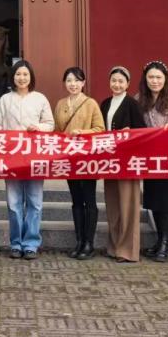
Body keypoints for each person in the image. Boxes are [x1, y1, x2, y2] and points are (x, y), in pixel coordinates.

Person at [0, 59, 55, 260]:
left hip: (35, 157)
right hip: (11, 157)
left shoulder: (40, 98)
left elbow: (50, 124)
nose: (22, 78)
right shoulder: (4, 100)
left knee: (35, 202)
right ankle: (16, 243)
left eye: (25, 74)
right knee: (14, 202)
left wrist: (39, 127)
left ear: (31, 77)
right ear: (13, 77)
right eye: (18, 74)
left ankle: (31, 244)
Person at [52, 66, 104, 260]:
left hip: (88, 159)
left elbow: (100, 129)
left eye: (76, 80)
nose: (73, 84)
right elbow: (56, 130)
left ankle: (89, 243)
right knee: (76, 200)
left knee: (89, 199)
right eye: (69, 80)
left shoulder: (91, 104)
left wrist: (83, 133)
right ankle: (79, 240)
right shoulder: (60, 104)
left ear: (83, 83)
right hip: (69, 159)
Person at [138, 60, 168, 262]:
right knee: (154, 200)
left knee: (166, 202)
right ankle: (160, 241)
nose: (154, 81)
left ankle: (166, 243)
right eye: (151, 77)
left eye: (158, 77)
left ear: (165, 79)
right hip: (150, 158)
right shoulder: (139, 99)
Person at [99, 65, 146, 263]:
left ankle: (127, 250)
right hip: (110, 161)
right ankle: (114, 246)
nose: (116, 84)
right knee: (113, 205)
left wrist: (130, 132)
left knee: (128, 206)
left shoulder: (132, 104)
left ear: (127, 84)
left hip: (128, 161)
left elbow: (142, 130)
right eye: (113, 81)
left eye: (121, 81)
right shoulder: (105, 103)